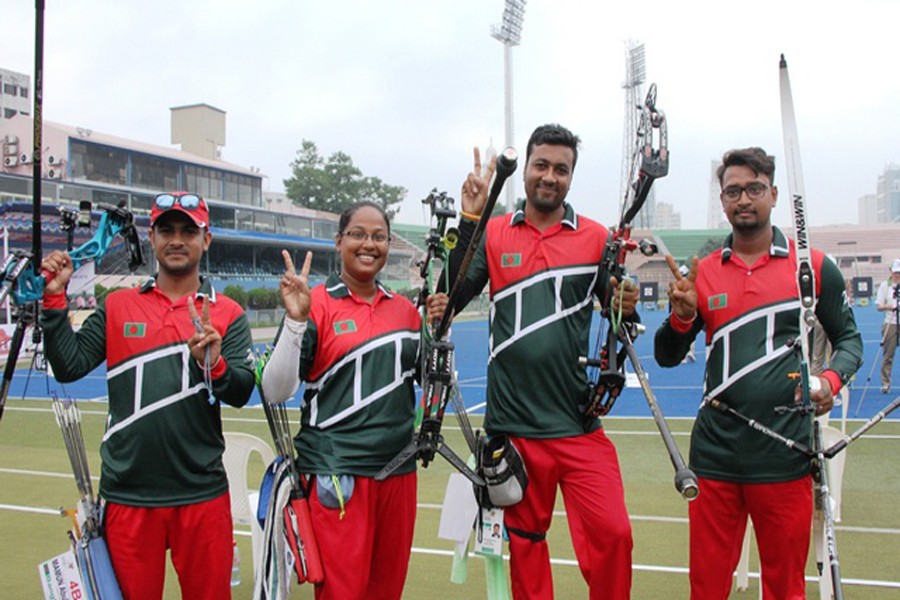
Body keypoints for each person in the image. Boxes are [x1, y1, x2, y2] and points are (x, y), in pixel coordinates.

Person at [654, 147, 863, 599]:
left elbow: (850, 342)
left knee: (785, 588)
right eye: (732, 191)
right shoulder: (703, 273)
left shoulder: (811, 268)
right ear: (723, 200)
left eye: (753, 189)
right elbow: (667, 356)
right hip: (715, 456)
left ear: (772, 194)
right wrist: (682, 317)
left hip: (785, 456)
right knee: (707, 587)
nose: (743, 199)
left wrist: (829, 383)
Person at [444, 124, 637, 600]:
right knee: (527, 545)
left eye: (561, 169)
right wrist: (470, 217)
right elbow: (451, 293)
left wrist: (624, 302)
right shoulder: (493, 233)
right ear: (525, 169)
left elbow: (618, 314)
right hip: (514, 427)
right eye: (541, 165)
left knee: (615, 535)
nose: (550, 176)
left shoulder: (596, 238)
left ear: (571, 177)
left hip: (577, 424)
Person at [40, 192, 256, 599]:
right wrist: (54, 299)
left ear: (206, 240)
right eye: (167, 230)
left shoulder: (227, 312)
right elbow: (69, 365)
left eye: (189, 231)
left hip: (202, 494)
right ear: (152, 238)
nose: (178, 239)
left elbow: (243, 391)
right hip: (128, 495)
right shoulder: (118, 305)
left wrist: (216, 365)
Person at [261, 201, 447, 600]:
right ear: (339, 241)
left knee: (386, 591)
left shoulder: (403, 310)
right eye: (358, 234)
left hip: (398, 474)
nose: (369, 244)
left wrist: (435, 330)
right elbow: (276, 391)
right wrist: (295, 321)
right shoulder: (314, 304)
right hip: (338, 476)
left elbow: (432, 384)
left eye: (379, 236)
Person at [875, 258, 900, 393]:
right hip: (890, 322)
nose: (897, 275)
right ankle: (885, 383)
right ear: (891, 271)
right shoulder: (885, 285)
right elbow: (879, 306)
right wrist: (888, 307)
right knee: (888, 355)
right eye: (895, 272)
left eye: (899, 273)